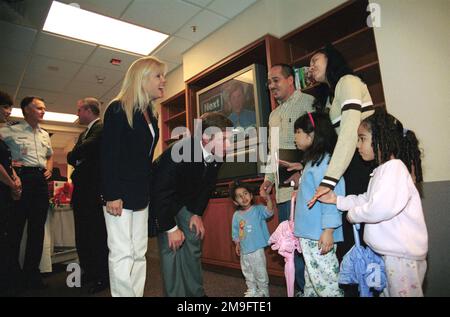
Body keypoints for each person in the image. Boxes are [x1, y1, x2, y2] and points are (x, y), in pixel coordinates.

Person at [318, 109, 428, 297]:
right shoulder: (381, 170)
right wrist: (337, 200)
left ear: (380, 139)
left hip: (400, 256)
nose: (358, 145)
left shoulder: (394, 169)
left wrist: (354, 215)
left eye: (362, 139)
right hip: (390, 253)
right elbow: (366, 199)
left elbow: (379, 208)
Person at [306, 45, 375, 275]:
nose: (311, 66)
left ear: (331, 59)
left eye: (316, 59)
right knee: (353, 227)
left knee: (362, 228)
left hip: (361, 163)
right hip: (351, 164)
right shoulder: (331, 95)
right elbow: (333, 141)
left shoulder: (348, 81)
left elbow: (349, 133)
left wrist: (328, 180)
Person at [149, 112, 233, 297]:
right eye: (224, 139)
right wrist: (171, 228)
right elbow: (160, 192)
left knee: (193, 236)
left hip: (184, 199)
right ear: (205, 138)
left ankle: (196, 294)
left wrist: (196, 213)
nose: (229, 145)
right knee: (171, 247)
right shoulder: (179, 152)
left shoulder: (218, 152)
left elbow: (207, 186)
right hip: (160, 199)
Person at [100, 56, 163, 297]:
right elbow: (109, 156)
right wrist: (112, 194)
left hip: (140, 194)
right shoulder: (118, 108)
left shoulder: (150, 114)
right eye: (158, 75)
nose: (163, 80)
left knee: (139, 252)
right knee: (121, 252)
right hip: (120, 194)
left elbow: (143, 160)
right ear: (142, 78)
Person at [259, 63, 314, 295]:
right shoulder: (273, 115)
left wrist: (305, 166)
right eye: (269, 82)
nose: (271, 85)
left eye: (276, 80)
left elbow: (320, 142)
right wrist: (268, 179)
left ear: (291, 80)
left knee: (308, 245)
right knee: (290, 245)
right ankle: (300, 290)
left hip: (307, 188)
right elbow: (272, 153)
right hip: (283, 193)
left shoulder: (309, 103)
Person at [0, 96, 53, 289]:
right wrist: (11, 169)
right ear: (26, 110)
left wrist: (48, 167)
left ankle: (32, 274)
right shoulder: (9, 130)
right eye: (39, 107)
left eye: (44, 108)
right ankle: (12, 276)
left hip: (40, 181)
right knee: (15, 228)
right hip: (21, 180)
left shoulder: (45, 134)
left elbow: (49, 156)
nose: (43, 111)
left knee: (37, 230)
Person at [291, 112, 344, 297]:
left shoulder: (324, 163)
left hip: (318, 234)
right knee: (313, 279)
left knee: (326, 281)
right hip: (310, 233)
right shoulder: (313, 162)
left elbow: (331, 197)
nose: (294, 136)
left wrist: (329, 230)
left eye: (297, 131)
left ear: (312, 134)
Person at [67, 97, 109, 293]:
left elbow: (83, 151)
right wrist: (78, 157)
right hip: (82, 192)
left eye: (79, 109)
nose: (77, 113)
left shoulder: (101, 128)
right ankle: (89, 272)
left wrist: (78, 156)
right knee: (82, 235)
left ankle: (102, 276)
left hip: (93, 192)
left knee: (96, 235)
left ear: (88, 110)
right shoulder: (85, 133)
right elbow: (71, 157)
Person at [231, 182, 274, 297]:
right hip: (245, 249)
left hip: (257, 248)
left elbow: (269, 212)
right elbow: (236, 232)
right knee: (247, 271)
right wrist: (237, 244)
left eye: (245, 194)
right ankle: (252, 289)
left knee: (260, 271)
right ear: (235, 202)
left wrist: (268, 199)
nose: (243, 197)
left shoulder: (258, 209)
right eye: (239, 196)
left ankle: (263, 291)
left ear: (251, 195)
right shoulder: (236, 215)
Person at [0, 91, 22, 295]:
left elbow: (6, 163)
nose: (8, 112)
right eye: (5, 107)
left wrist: (15, 177)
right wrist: (12, 184)